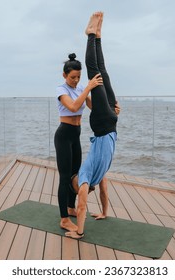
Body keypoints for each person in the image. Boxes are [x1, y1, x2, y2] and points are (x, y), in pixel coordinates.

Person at [65, 11, 119, 239]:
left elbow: (104, 192)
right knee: (94, 70)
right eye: (74, 182)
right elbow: (82, 207)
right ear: (78, 186)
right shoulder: (87, 177)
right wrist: (79, 231)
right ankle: (90, 34)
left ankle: (97, 35)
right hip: (103, 124)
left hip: (112, 123)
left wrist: (105, 212)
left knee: (103, 72)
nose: (75, 177)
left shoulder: (100, 175)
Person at [54, 53, 103, 232]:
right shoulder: (61, 90)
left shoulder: (80, 88)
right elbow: (74, 107)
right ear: (64, 75)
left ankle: (70, 207)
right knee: (64, 177)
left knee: (75, 175)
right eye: (72, 77)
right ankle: (64, 219)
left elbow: (93, 107)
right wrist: (87, 88)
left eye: (78, 77)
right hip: (64, 135)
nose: (75, 80)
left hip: (76, 135)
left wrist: (113, 107)